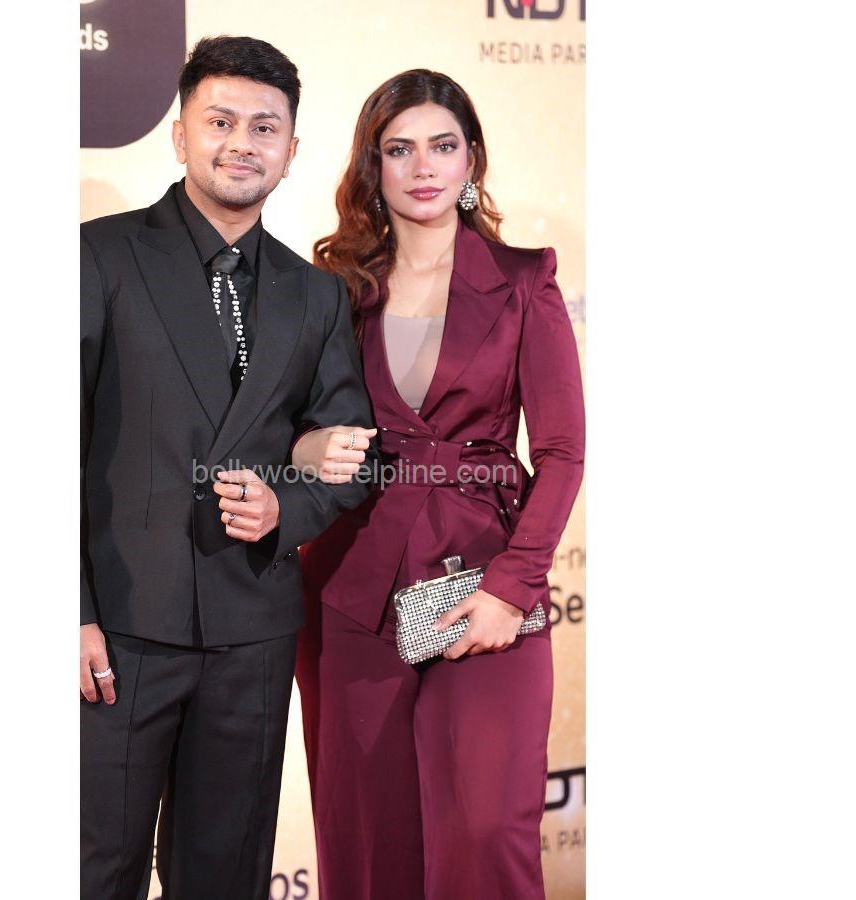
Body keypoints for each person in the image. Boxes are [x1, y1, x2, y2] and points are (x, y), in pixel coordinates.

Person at [80, 36, 377, 900]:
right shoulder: (98, 256)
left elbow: (351, 454)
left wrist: (286, 505)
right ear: (180, 135)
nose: (242, 143)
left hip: (252, 631)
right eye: (220, 122)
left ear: (291, 149)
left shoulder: (314, 292)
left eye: (264, 128)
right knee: (97, 869)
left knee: (227, 875)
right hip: (119, 630)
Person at [291, 69, 585, 900]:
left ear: (471, 159)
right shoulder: (333, 292)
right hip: (353, 587)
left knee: (485, 832)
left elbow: (562, 451)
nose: (423, 167)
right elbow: (290, 435)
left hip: (484, 578)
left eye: (443, 145)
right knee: (368, 845)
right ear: (372, 165)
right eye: (400, 149)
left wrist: (512, 589)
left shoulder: (524, 280)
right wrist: (309, 449)